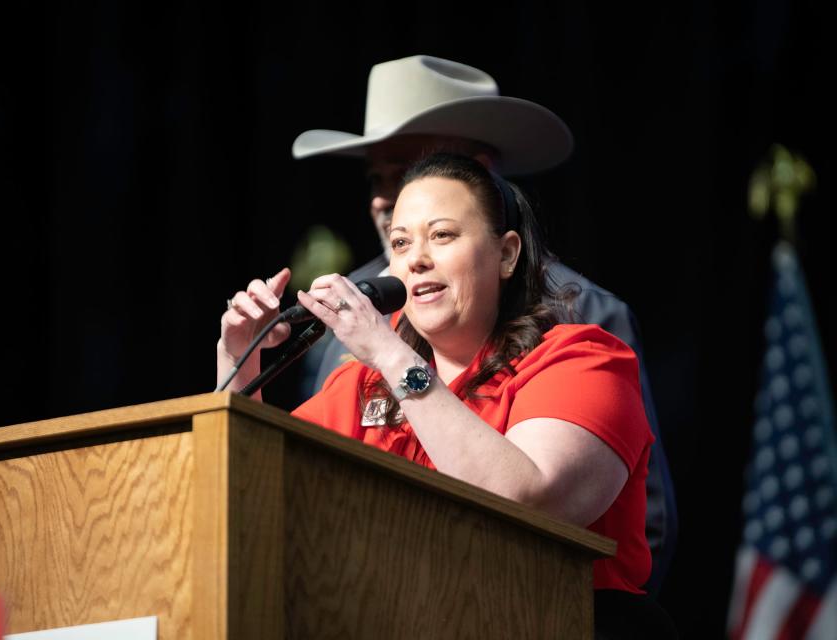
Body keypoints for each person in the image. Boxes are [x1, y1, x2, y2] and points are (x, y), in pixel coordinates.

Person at [217, 153, 677, 637]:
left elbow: (526, 504)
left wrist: (391, 355)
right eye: (400, 242)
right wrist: (239, 358)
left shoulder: (582, 361)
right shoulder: (360, 387)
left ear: (506, 254)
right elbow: (260, 493)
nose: (415, 259)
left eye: (442, 235)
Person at [291, 54, 676, 597]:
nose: (388, 198)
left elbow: (554, 507)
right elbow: (279, 487)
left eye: (412, 170)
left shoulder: (580, 331)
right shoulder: (360, 333)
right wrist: (240, 372)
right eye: (401, 240)